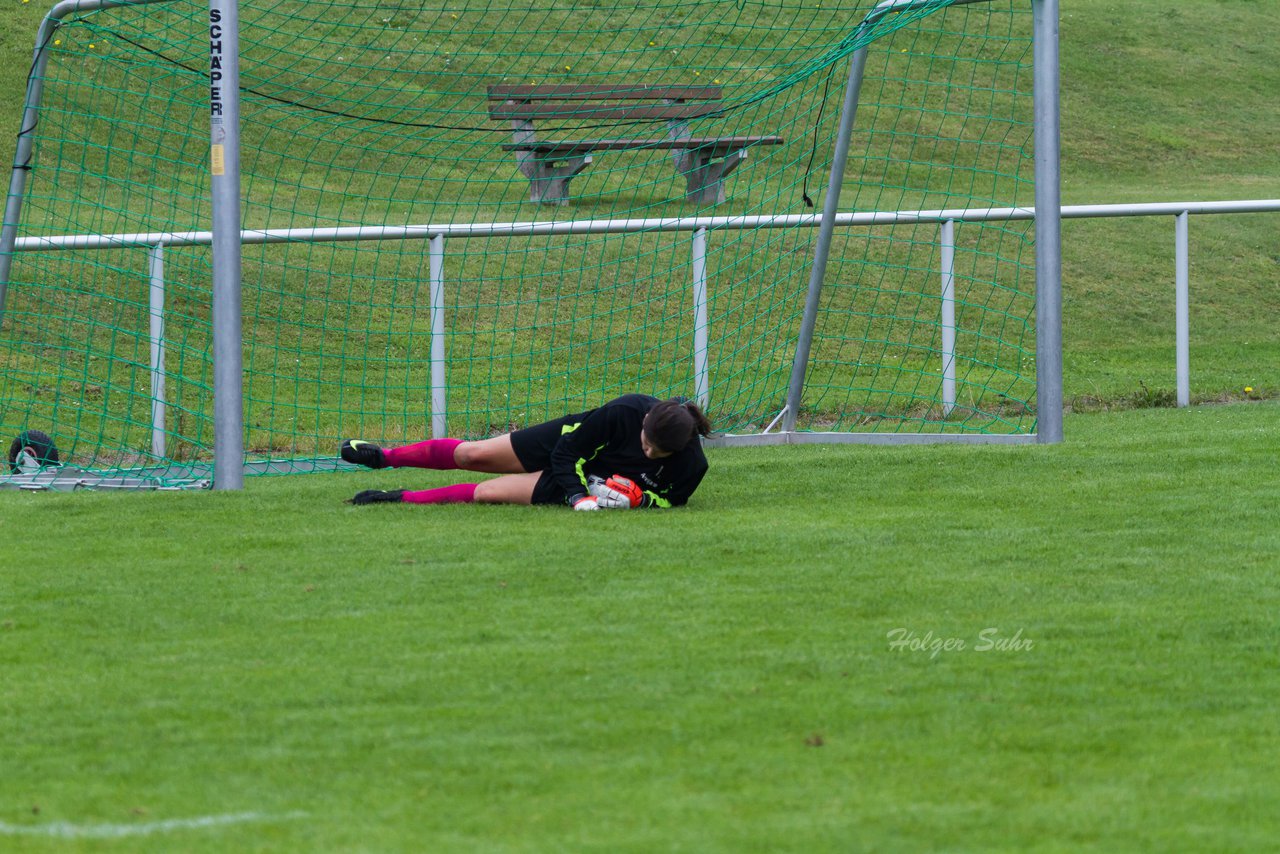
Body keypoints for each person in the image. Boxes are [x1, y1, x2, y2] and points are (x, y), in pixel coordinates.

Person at [341, 393, 711, 510]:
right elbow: (568, 453)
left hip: (597, 476)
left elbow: (673, 500)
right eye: (644, 441)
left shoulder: (692, 464)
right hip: (568, 445)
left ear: (678, 450)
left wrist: (641, 500)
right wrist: (578, 496)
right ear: (645, 419)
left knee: (487, 493)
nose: (647, 452)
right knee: (473, 455)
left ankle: (396, 499)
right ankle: (384, 457)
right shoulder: (626, 411)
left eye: (656, 454)